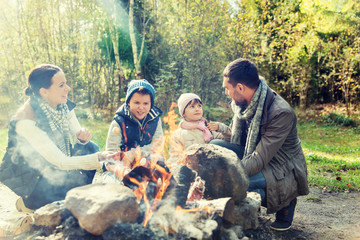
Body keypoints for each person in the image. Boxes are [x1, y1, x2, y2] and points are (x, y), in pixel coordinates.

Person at [0, 64, 119, 211]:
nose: (68, 88)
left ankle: (73, 195)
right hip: (34, 181)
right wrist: (100, 159)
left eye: (66, 83)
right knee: (63, 201)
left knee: (90, 147)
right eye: (62, 85)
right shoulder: (26, 122)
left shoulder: (62, 104)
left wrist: (81, 138)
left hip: (54, 167)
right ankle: (28, 205)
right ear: (44, 92)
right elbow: (61, 162)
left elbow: (77, 137)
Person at [211, 58, 309, 231]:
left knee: (235, 182)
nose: (226, 93)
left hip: (280, 167)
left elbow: (259, 159)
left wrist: (227, 174)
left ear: (240, 87)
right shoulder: (244, 104)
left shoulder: (280, 113)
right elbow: (234, 136)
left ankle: (285, 201)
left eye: (227, 88)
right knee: (214, 147)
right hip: (254, 153)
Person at [105, 79, 164, 172]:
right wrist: (123, 170)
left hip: (145, 161)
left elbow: (158, 146)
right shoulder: (119, 122)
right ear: (128, 102)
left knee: (161, 163)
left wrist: (134, 154)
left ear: (151, 104)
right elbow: (110, 155)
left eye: (145, 103)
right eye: (136, 102)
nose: (141, 107)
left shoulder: (155, 119)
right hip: (121, 165)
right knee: (111, 181)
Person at [167, 93, 230, 169]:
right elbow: (174, 158)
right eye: (192, 106)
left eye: (199, 106)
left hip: (211, 169)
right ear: (183, 113)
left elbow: (228, 140)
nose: (197, 109)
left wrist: (221, 127)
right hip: (190, 171)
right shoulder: (178, 134)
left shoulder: (208, 128)